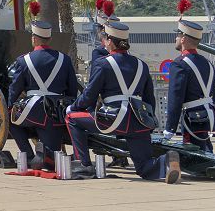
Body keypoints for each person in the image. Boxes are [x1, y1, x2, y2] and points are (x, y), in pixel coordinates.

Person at [65, 21, 180, 183]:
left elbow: (89, 96)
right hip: (138, 121)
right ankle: (167, 162)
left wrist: (73, 107)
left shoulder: (103, 64)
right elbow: (149, 99)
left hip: (113, 120)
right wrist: (147, 122)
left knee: (72, 118)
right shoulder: (142, 65)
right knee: (144, 168)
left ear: (110, 41)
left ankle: (83, 165)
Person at [8, 19, 79, 171]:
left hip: (32, 111)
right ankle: (45, 155)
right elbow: (72, 89)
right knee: (51, 151)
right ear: (50, 39)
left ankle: (27, 155)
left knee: (9, 118)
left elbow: (15, 89)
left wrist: (10, 105)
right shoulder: (64, 59)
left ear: (33, 38)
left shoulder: (24, 60)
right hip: (56, 112)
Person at [164, 18, 215, 152]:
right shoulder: (208, 63)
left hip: (192, 119)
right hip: (208, 116)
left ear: (183, 38)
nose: (175, 39)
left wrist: (169, 128)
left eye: (177, 35)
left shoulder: (179, 64)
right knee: (206, 149)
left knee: (196, 156)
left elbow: (175, 98)